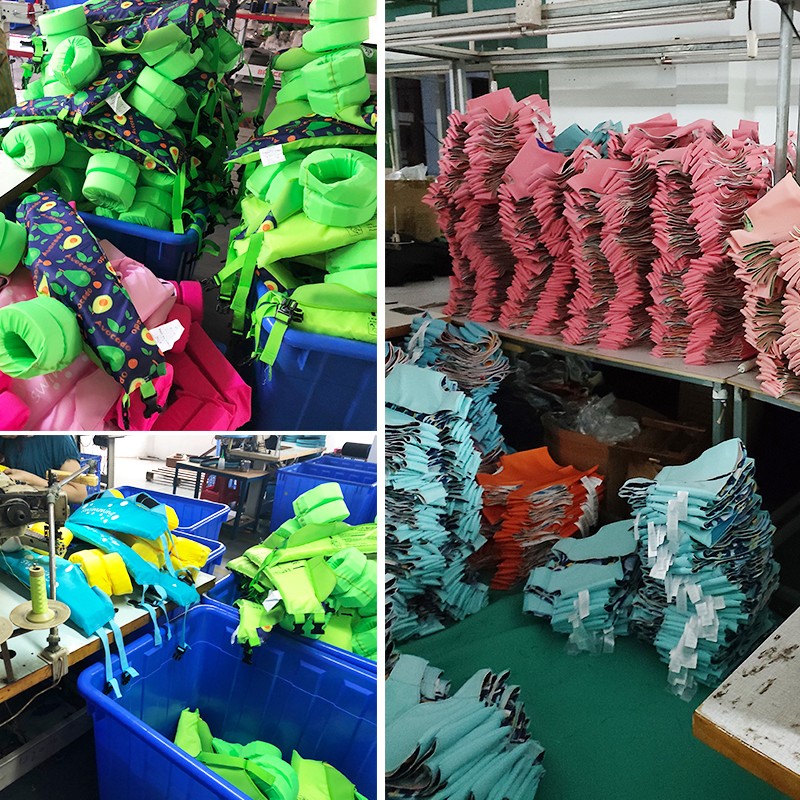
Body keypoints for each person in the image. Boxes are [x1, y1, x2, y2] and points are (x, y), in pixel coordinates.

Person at [0, 436, 88, 504]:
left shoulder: (59, 439)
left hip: (50, 513)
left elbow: (79, 494)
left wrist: (30, 480)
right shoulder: (7, 437)